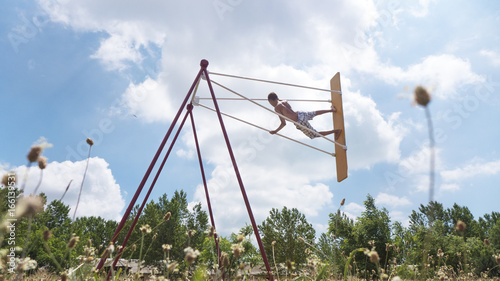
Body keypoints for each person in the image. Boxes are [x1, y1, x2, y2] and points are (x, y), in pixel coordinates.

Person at [267, 92, 342, 140]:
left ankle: (336, 131)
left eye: (269, 102)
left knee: (314, 135)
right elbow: (285, 100)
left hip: (299, 121)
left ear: (271, 100)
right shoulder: (284, 101)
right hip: (300, 114)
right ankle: (332, 110)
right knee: (314, 113)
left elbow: (283, 123)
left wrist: (275, 131)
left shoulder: (277, 108)